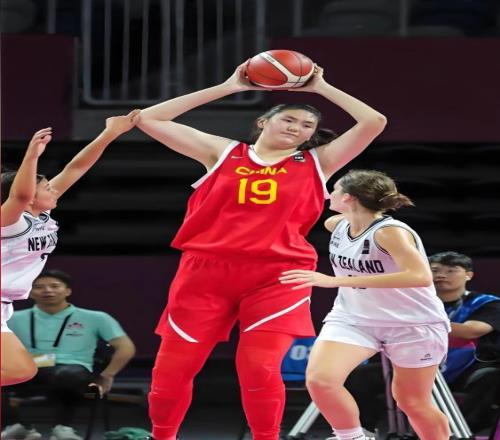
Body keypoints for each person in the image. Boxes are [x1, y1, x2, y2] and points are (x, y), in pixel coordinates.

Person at [137, 62, 387, 440]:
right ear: (263, 122)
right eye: (289, 119)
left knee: (259, 369)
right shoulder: (222, 152)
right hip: (205, 272)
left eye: (307, 126)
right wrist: (229, 87)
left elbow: (374, 121)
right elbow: (149, 118)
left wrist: (321, 87)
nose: (297, 128)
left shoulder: (318, 162)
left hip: (278, 275)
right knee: (172, 370)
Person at [279, 169, 451, 440]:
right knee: (321, 380)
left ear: (349, 197)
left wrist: (335, 281)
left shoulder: (389, 233)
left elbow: (420, 276)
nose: (329, 195)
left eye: (335, 189)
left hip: (412, 323)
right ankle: (352, 437)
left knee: (412, 402)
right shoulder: (337, 224)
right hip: (354, 318)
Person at [1, 110, 139, 387]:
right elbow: (21, 194)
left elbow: (75, 168)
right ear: (30, 196)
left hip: (5, 304)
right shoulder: (10, 221)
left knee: (21, 371)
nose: (53, 190)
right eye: (46, 187)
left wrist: (109, 134)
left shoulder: (40, 214)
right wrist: (32, 155)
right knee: (19, 370)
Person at [1, 269, 136, 440]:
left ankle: (63, 427)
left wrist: (107, 375)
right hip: (30, 371)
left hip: (76, 375)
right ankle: (18, 425)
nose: (47, 290)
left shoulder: (96, 318)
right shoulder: (11, 318)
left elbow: (126, 347)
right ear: (29, 292)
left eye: (54, 286)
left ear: (68, 291)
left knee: (66, 376)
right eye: (39, 287)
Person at [429, 251, 500, 432]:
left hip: (470, 368)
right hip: (418, 365)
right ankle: (367, 429)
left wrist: (416, 323)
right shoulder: (414, 303)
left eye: (451, 270)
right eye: (435, 270)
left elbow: (471, 331)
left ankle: (462, 432)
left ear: (469, 275)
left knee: (493, 377)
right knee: (366, 374)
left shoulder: (488, 303)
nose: (441, 275)